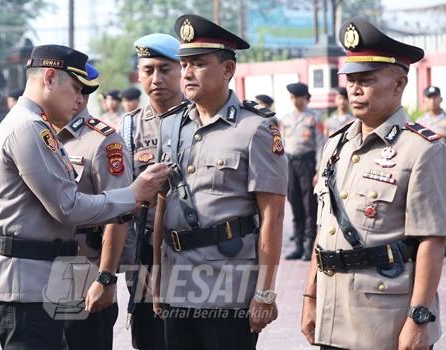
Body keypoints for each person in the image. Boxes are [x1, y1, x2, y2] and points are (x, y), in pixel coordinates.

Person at [0, 44, 169, 350]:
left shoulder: (35, 126)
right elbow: (67, 207)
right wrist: (133, 194)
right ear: (50, 77)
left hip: (41, 279)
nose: (79, 98)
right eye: (75, 88)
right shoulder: (28, 127)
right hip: (25, 283)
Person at [301, 18, 446, 350]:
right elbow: (325, 229)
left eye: (366, 79)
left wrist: (419, 319)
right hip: (334, 313)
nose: (354, 88)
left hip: (386, 322)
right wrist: (310, 297)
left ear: (398, 84)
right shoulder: (335, 146)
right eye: (350, 79)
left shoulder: (422, 151)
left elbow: (432, 241)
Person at [152, 14, 288, 350]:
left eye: (198, 64)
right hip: (178, 281)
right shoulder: (171, 127)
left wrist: (265, 292)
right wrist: (156, 276)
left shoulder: (255, 129)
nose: (186, 73)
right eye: (184, 64)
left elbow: (272, 215)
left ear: (227, 70)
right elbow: (162, 202)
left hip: (228, 286)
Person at [56, 64, 131, 350]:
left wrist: (106, 277)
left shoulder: (103, 141)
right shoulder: (39, 135)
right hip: (42, 266)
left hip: (83, 270)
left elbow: (118, 214)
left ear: (82, 95)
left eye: (78, 92)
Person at [117, 32, 183, 350]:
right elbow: (120, 198)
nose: (156, 78)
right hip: (144, 252)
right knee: (148, 338)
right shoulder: (127, 129)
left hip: (194, 251)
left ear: (183, 69)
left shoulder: (200, 121)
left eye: (165, 69)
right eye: (148, 70)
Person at [280, 82, 325, 261]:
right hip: (290, 164)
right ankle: (297, 245)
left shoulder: (315, 118)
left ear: (306, 98)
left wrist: (318, 170)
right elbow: (281, 145)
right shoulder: (286, 119)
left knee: (309, 206)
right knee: (295, 204)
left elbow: (321, 144)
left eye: (298, 97)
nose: (294, 100)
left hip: (308, 164)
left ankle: (309, 246)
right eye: (292, 97)